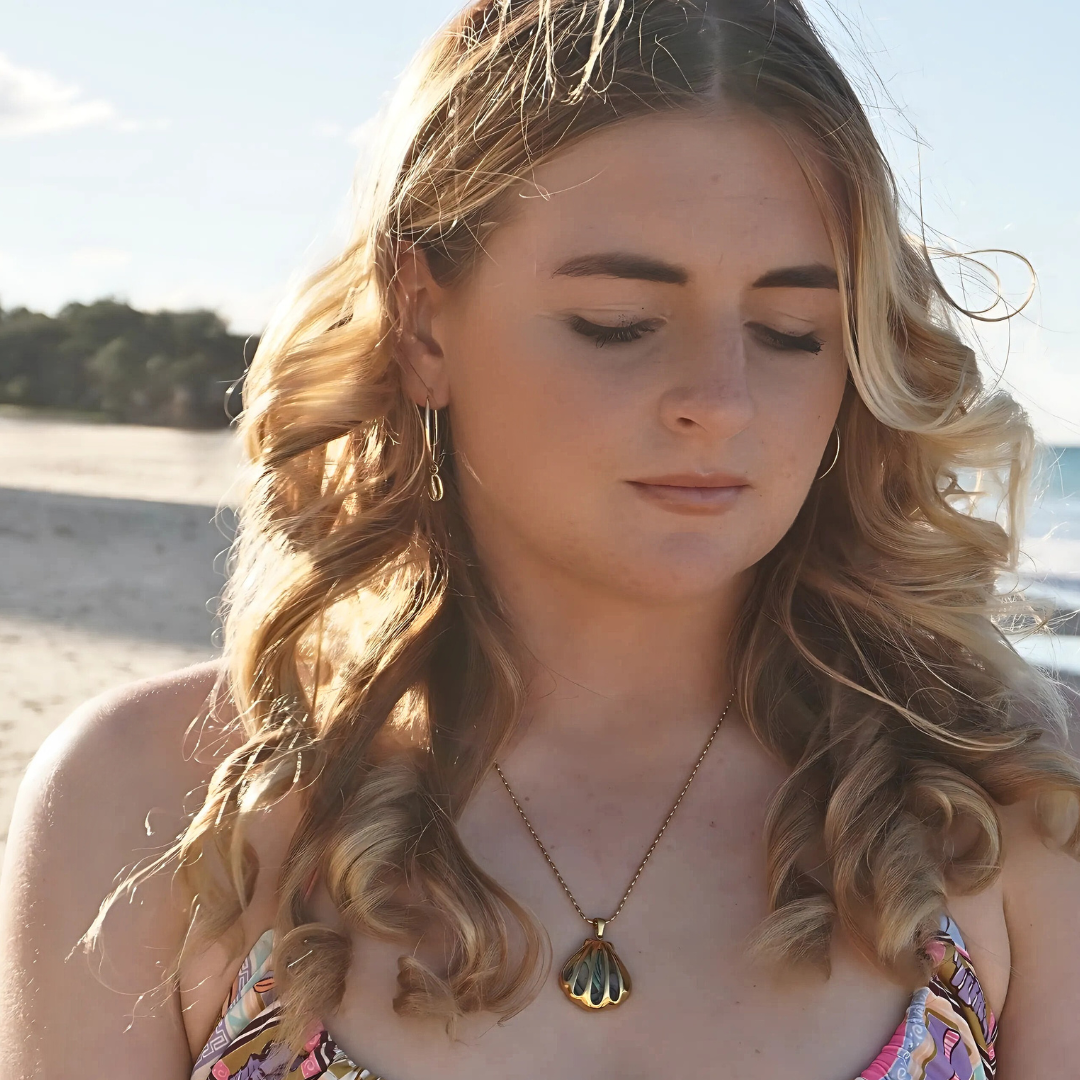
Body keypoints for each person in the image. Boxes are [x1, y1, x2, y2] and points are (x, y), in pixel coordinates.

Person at [2, 1, 1079, 1076]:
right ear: (423, 321)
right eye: (619, 320)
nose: (722, 398)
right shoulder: (154, 806)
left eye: (791, 331)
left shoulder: (1012, 809)